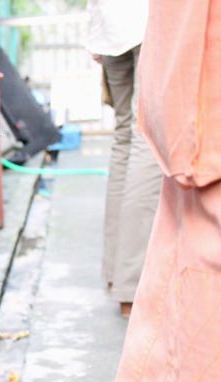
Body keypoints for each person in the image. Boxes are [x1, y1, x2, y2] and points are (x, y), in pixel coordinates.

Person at [105, 0, 221, 382]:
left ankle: (119, 276)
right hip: (146, 39)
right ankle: (123, 280)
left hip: (122, 33)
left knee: (127, 142)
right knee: (143, 147)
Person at [86, 0, 162, 317]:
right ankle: (133, 284)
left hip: (111, 24)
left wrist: (94, 30)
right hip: (150, 21)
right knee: (147, 135)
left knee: (126, 136)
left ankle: (117, 274)